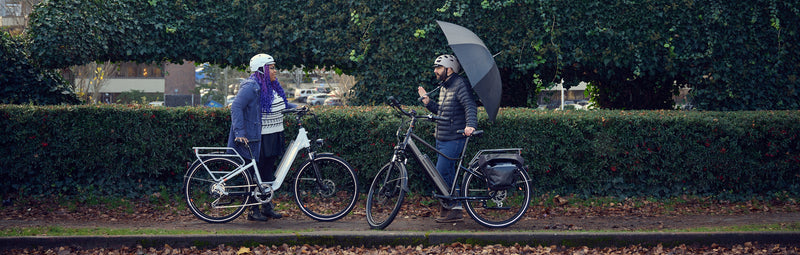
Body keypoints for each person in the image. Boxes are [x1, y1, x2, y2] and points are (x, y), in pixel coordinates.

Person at [227, 53, 296, 221]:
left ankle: (266, 207)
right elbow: (236, 107)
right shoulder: (251, 86)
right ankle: (253, 211)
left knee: (266, 174)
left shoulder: (271, 86)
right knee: (254, 175)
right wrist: (240, 133)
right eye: (271, 68)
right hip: (258, 138)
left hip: (273, 135)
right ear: (262, 69)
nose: (275, 71)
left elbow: (282, 105)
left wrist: (298, 107)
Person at [417, 54, 478, 223]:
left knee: (442, 172)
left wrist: (471, 124)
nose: (435, 71)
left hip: (454, 137)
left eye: (438, 68)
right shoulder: (445, 86)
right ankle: (452, 209)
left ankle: (453, 207)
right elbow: (443, 112)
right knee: (448, 174)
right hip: (442, 137)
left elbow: (470, 105)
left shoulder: (460, 84)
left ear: (449, 69)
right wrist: (428, 102)